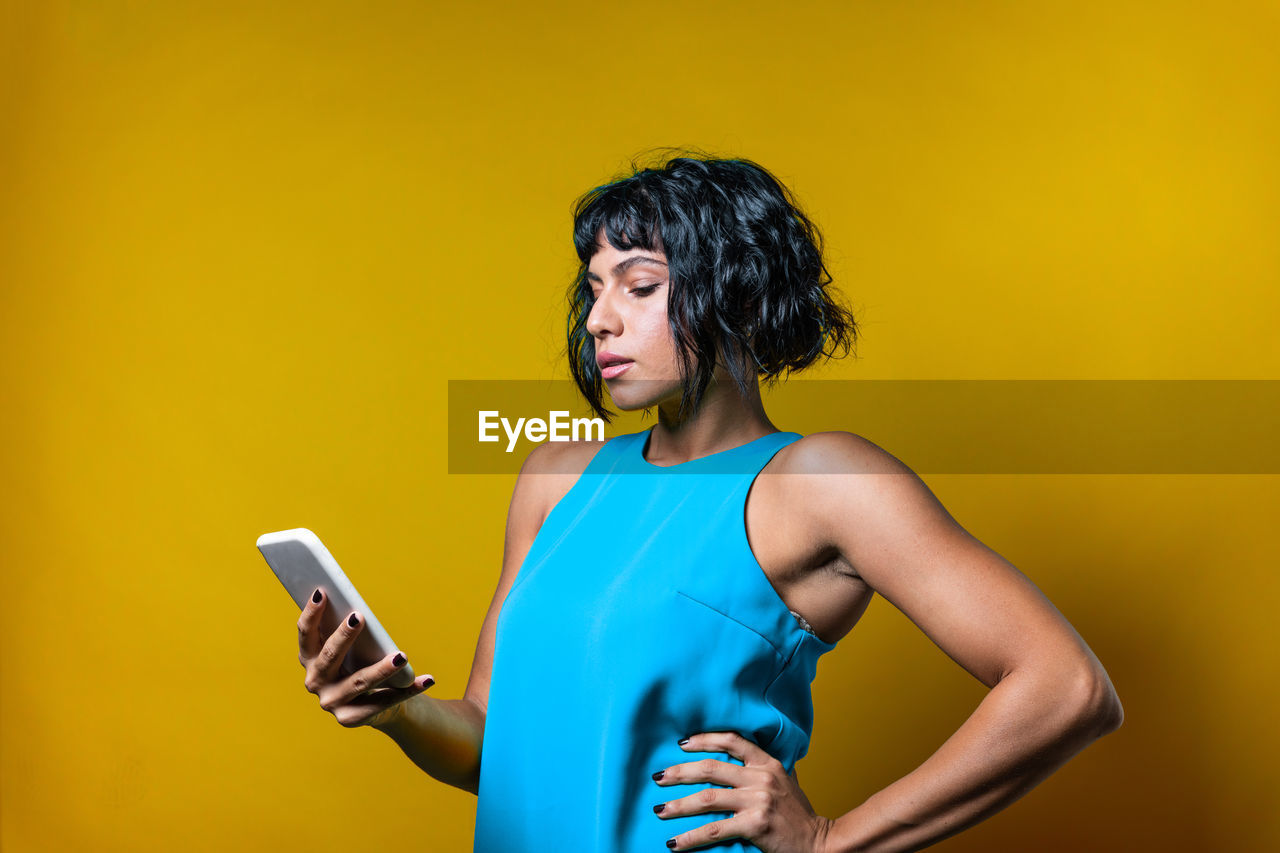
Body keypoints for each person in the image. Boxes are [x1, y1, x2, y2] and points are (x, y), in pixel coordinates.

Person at [294, 152, 1123, 852]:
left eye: (640, 285)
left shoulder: (818, 482)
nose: (599, 320)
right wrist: (395, 708)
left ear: (738, 293)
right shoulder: (557, 477)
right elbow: (490, 739)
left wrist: (834, 838)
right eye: (594, 289)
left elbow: (1066, 685)